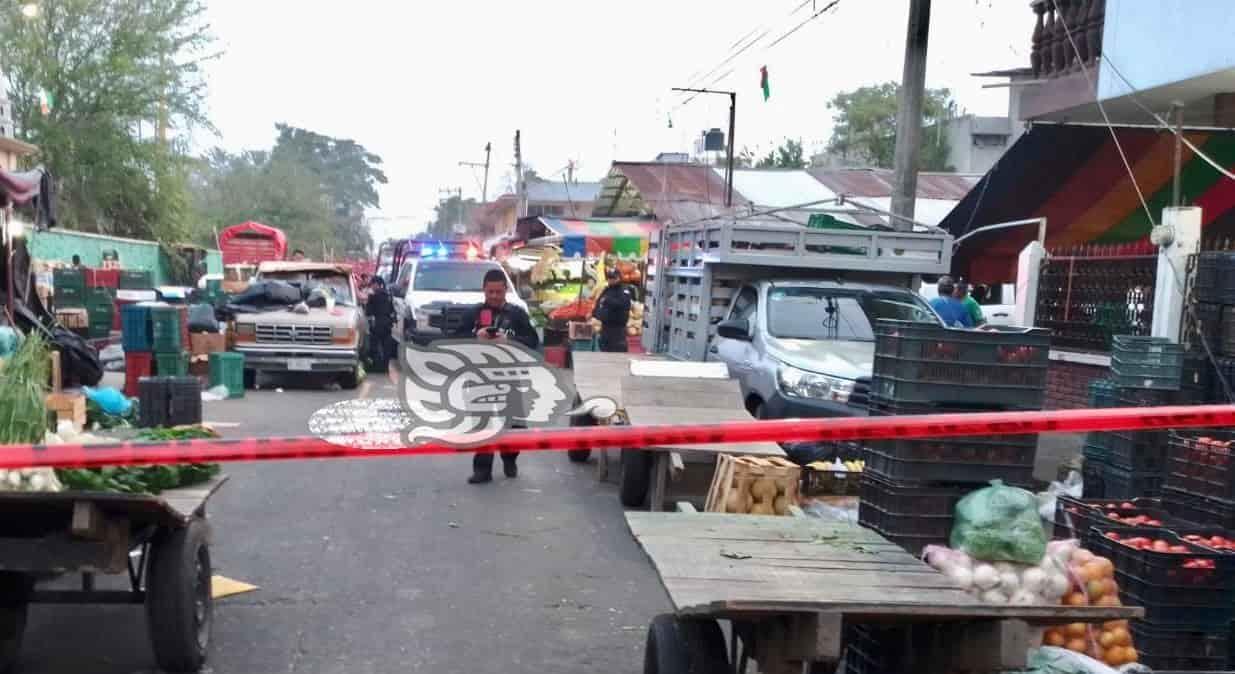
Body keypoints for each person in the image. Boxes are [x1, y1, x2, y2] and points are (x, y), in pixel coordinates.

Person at [451, 269, 540, 484]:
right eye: (490, 291)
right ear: (484, 290)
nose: (494, 296)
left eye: (498, 292)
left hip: (510, 375)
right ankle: (482, 469)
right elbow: (453, 339)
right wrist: (475, 336)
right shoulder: (472, 314)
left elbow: (533, 341)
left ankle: (510, 459)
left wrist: (508, 342)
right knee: (482, 424)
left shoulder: (517, 314)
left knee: (513, 425)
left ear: (505, 290)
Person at [591, 268, 633, 352]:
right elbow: (599, 302)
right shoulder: (606, 290)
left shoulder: (624, 290)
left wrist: (608, 301)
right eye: (609, 278)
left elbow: (623, 303)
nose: (611, 280)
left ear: (619, 278)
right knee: (605, 352)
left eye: (614, 278)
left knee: (617, 353)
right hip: (605, 328)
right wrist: (595, 313)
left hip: (617, 330)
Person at [364, 276, 396, 372]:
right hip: (387, 324)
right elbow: (392, 310)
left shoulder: (373, 296)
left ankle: (376, 367)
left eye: (372, 285)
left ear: (376, 284)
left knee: (374, 346)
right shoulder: (388, 295)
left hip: (377, 324)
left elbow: (368, 312)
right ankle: (385, 368)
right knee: (386, 347)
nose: (371, 287)